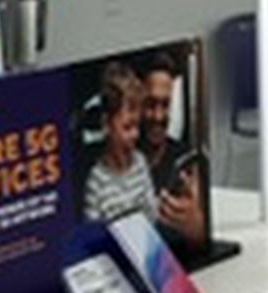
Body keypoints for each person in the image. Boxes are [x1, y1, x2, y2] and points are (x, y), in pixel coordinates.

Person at [138, 49, 207, 257]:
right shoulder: (120, 162)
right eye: (149, 104)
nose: (158, 116)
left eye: (165, 105)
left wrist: (197, 230)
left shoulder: (185, 162)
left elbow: (201, 246)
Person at [82, 59, 156, 222]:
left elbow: (152, 214)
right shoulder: (96, 182)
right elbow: (93, 231)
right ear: (106, 124)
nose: (135, 134)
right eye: (127, 127)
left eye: (137, 126)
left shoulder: (141, 163)